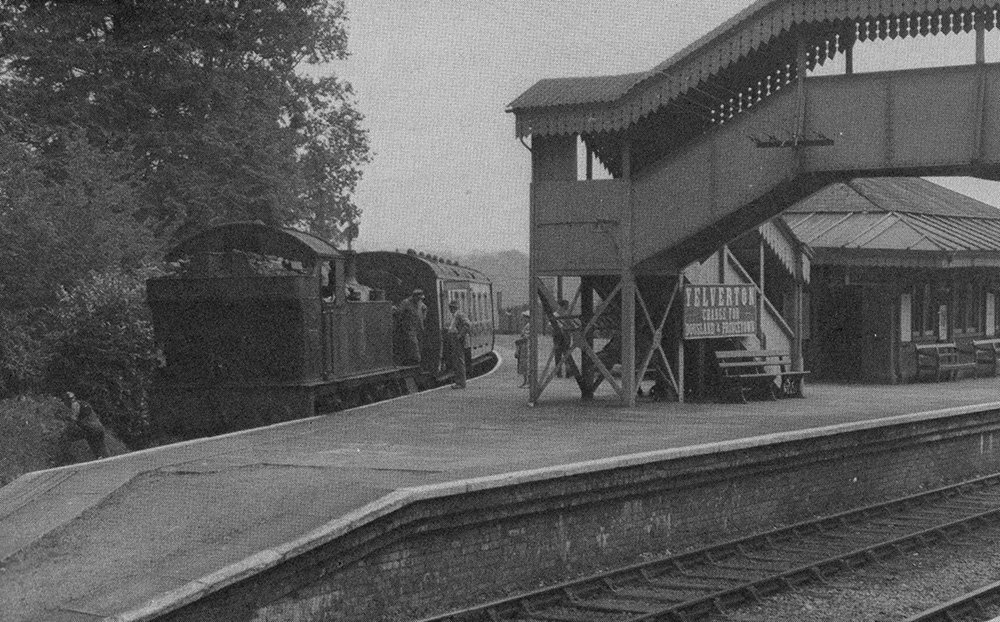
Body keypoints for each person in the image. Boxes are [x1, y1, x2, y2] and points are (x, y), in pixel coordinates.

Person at [394, 289, 427, 364]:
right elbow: (399, 312)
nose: (419, 300)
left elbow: (424, 308)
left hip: (418, 326)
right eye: (418, 298)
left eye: (421, 299)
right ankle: (417, 360)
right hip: (409, 326)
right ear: (414, 296)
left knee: (419, 343)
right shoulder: (406, 302)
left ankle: (417, 360)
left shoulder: (420, 303)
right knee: (413, 342)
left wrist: (423, 315)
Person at [447, 299, 471, 389]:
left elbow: (467, 324)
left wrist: (460, 335)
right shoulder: (454, 315)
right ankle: (459, 382)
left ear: (454, 307)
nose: (450, 309)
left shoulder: (459, 314)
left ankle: (461, 383)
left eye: (451, 307)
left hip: (458, 340)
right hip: (454, 339)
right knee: (456, 361)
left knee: (459, 361)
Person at [514, 312, 530, 387]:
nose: (523, 319)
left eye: (525, 317)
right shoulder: (526, 326)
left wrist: (518, 341)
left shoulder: (529, 326)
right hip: (523, 347)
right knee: (524, 364)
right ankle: (525, 381)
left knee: (526, 364)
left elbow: (526, 337)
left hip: (526, 347)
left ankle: (528, 382)